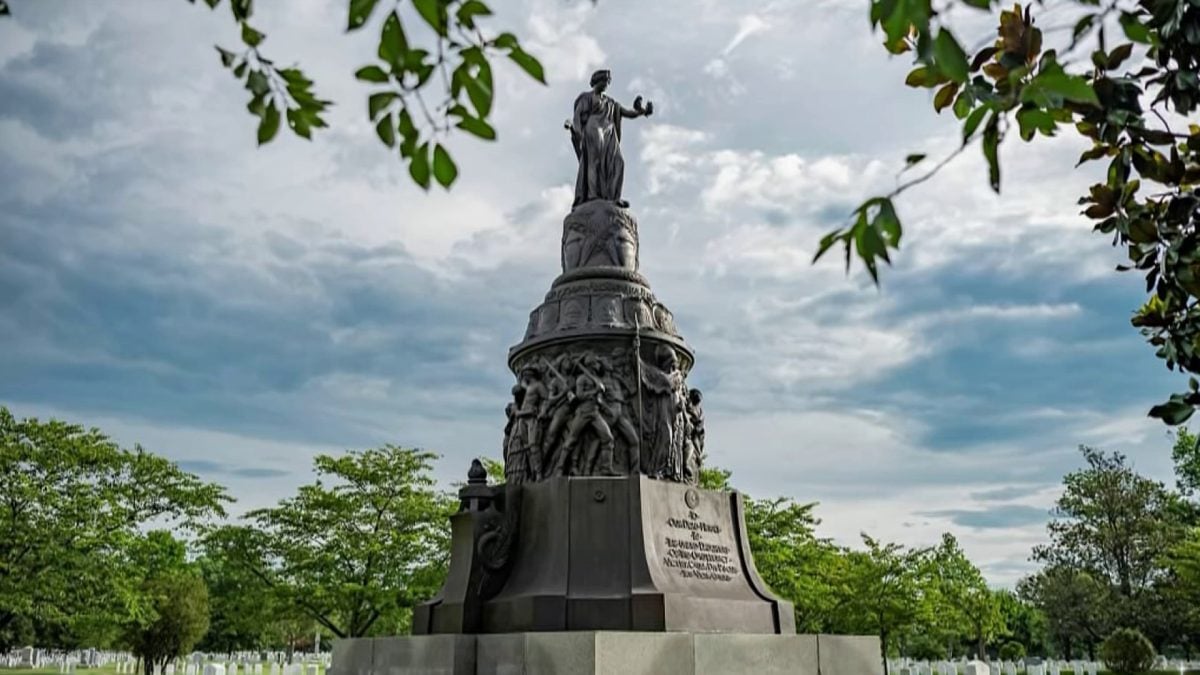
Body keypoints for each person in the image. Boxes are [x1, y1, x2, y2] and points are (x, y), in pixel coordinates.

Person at [567, 69, 653, 208]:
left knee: (619, 162)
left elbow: (626, 112)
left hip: (609, 132)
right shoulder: (586, 97)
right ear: (597, 81)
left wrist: (642, 112)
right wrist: (578, 132)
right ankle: (592, 195)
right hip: (594, 128)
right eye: (604, 80)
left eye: (608, 81)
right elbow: (577, 116)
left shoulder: (611, 102)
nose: (606, 84)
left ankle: (614, 197)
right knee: (594, 161)